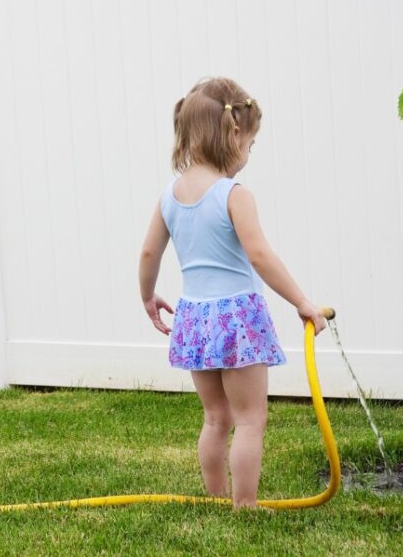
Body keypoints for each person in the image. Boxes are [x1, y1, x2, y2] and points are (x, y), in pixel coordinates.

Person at [138, 76, 327, 509]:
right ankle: (244, 506)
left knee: (215, 417)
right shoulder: (233, 195)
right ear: (234, 134)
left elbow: (150, 251)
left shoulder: (170, 195)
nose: (250, 153)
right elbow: (259, 255)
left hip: (195, 318)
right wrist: (301, 300)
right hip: (236, 319)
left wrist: (148, 296)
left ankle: (215, 498)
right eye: (252, 143)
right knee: (249, 418)